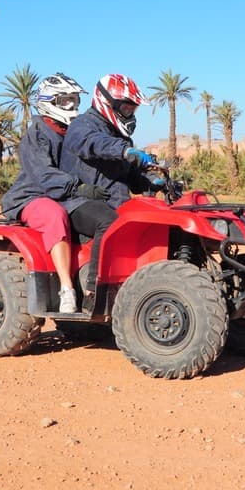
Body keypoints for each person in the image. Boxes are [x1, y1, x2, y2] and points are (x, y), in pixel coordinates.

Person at [60, 73, 163, 312]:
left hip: (110, 201)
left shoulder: (117, 136)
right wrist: (125, 151)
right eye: (126, 108)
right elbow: (93, 143)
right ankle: (93, 293)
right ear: (107, 103)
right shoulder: (82, 126)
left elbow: (126, 175)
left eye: (132, 109)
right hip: (76, 201)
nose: (130, 113)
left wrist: (152, 181)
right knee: (110, 221)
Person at [0, 72, 96, 313]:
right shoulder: (38, 134)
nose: (72, 106)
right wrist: (78, 187)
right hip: (32, 196)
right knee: (54, 215)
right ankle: (67, 290)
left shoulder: (74, 133)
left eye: (75, 100)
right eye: (66, 101)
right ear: (48, 102)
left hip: (65, 195)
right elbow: (44, 175)